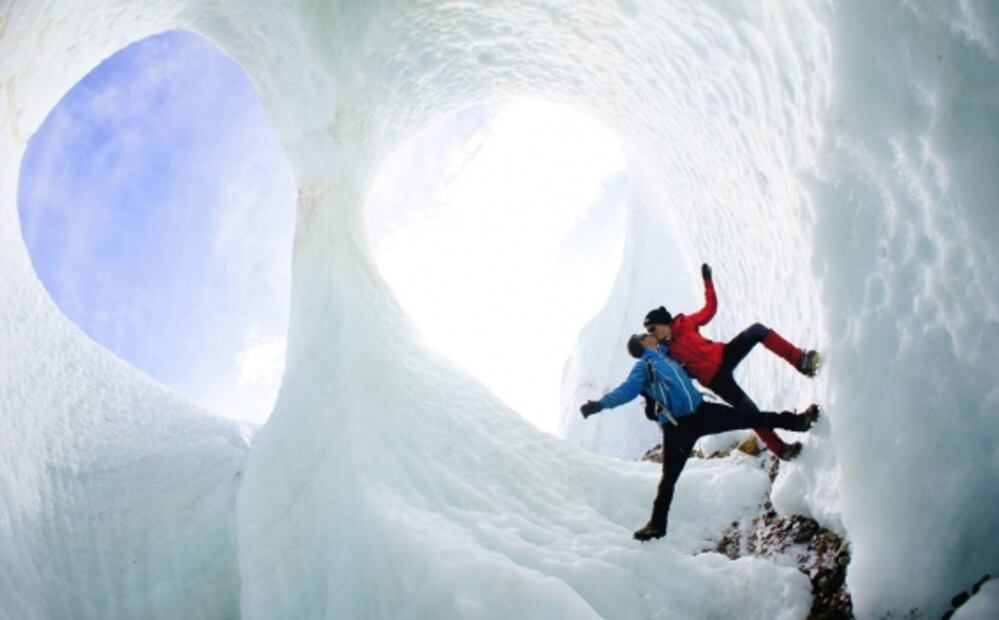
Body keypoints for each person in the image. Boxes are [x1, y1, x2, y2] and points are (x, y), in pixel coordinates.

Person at [580, 333, 819, 541]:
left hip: (702, 412)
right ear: (642, 344)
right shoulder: (644, 366)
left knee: (751, 418)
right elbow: (626, 391)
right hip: (677, 428)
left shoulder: (666, 356)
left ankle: (798, 422)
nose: (650, 335)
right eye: (644, 336)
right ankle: (656, 525)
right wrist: (599, 405)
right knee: (669, 477)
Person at [643, 263, 820, 461]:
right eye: (649, 332)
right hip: (716, 380)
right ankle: (781, 449)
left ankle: (801, 361)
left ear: (663, 322)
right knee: (749, 412)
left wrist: (708, 281)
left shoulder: (686, 323)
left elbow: (710, 309)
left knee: (757, 331)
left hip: (724, 354)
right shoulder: (665, 353)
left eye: (653, 328)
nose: (653, 333)